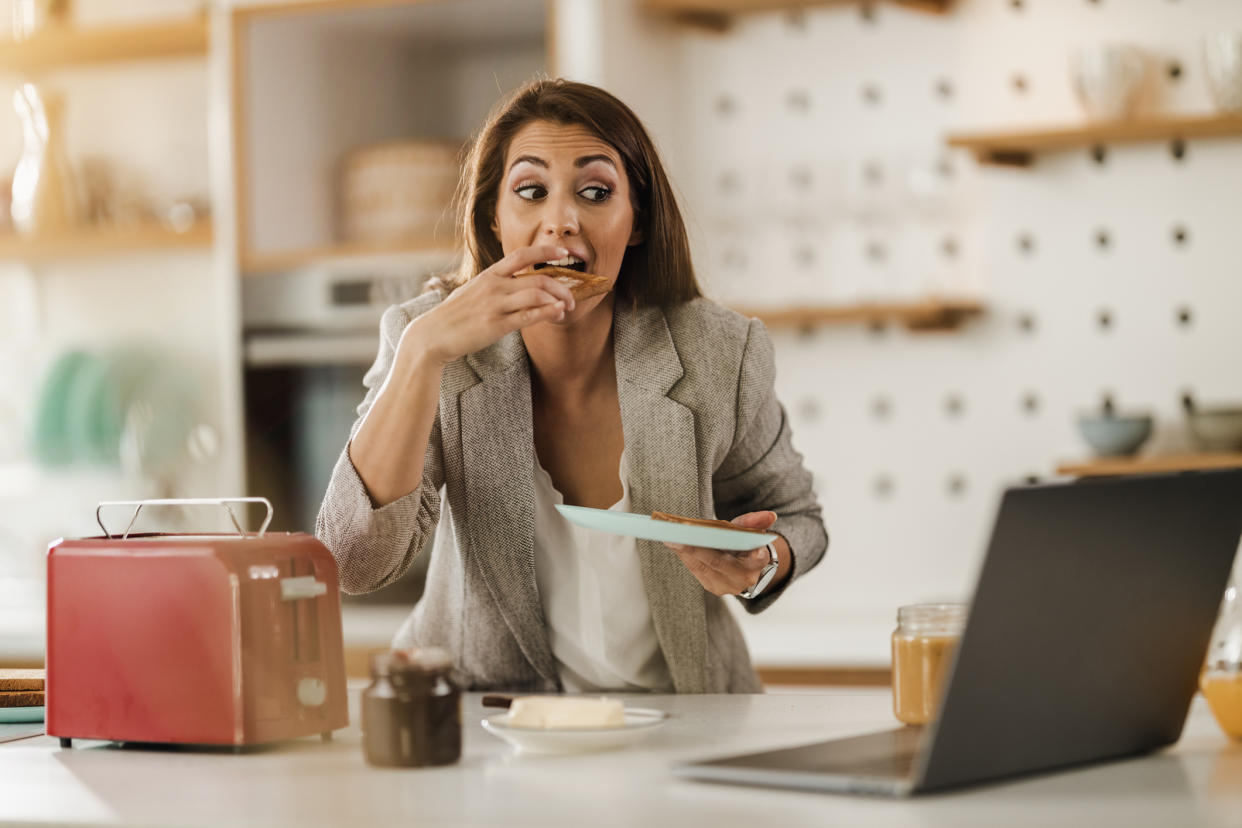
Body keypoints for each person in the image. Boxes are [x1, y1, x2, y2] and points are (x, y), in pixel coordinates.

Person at [316, 77, 827, 694]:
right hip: (490, 725)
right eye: (530, 192)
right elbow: (353, 562)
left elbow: (797, 518)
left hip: (684, 721)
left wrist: (763, 560)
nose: (560, 221)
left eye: (595, 192)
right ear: (494, 219)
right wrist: (422, 353)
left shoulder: (717, 352)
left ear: (635, 220)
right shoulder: (428, 342)